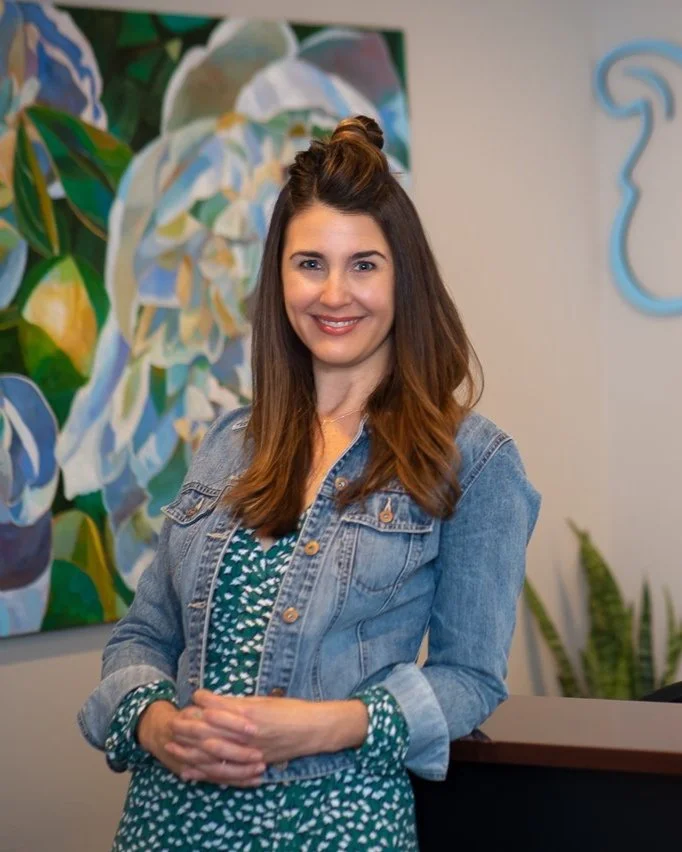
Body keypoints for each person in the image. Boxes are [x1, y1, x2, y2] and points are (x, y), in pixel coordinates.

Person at [78, 114, 541, 851]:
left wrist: (323, 724)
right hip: (167, 824)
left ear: (403, 277)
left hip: (337, 823)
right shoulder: (230, 443)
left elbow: (470, 679)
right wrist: (154, 722)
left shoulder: (474, 460)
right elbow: (144, 635)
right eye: (309, 264)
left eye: (364, 264)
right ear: (280, 276)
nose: (334, 294)